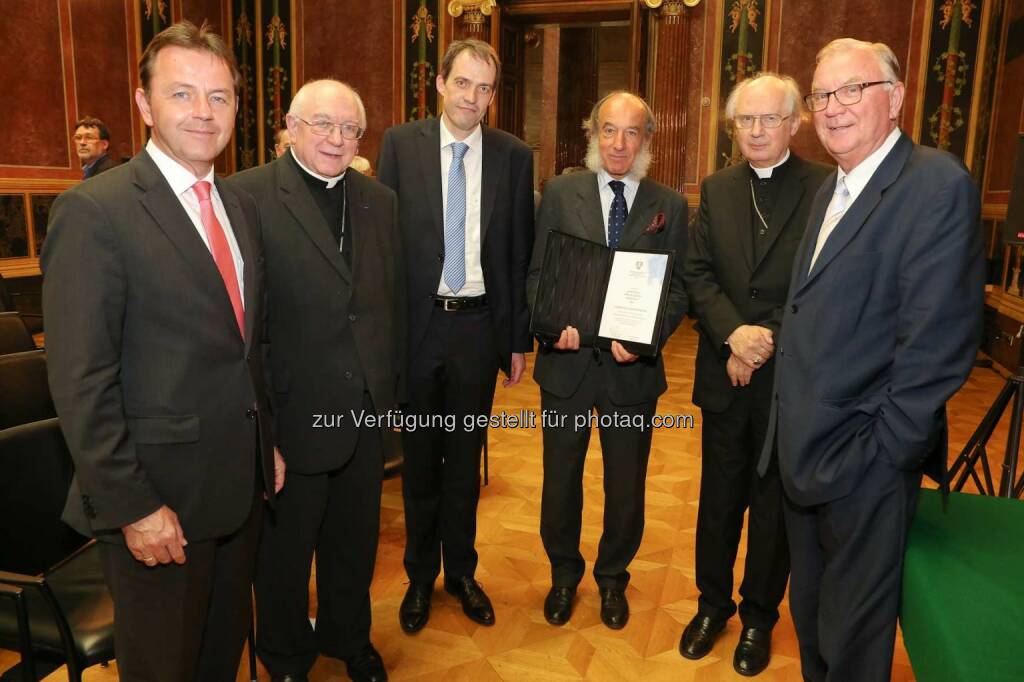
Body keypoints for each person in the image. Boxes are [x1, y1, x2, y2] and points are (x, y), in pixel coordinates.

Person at [42, 21, 283, 681]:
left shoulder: (239, 206)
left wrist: (268, 444)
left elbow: (246, 347)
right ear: (145, 106)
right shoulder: (95, 212)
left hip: (238, 492)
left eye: (220, 97)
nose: (204, 113)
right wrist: (135, 507)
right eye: (182, 95)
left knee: (217, 662)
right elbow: (80, 382)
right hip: (158, 509)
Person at [756, 38, 984, 681]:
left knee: (854, 644)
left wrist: (884, 454)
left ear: (896, 98)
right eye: (823, 94)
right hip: (805, 455)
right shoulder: (835, 185)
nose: (833, 107)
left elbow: (937, 345)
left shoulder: (936, 185)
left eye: (851, 89)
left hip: (865, 464)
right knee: (814, 623)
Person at [229, 79, 402, 682]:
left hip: (361, 412)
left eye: (350, 128)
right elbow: (243, 329)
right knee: (282, 553)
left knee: (354, 544)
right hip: (290, 413)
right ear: (290, 126)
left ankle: (348, 636)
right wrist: (262, 426)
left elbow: (387, 305)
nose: (336, 138)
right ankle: (284, 656)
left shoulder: (380, 200)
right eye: (322, 124)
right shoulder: (245, 196)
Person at [377, 38, 535, 633]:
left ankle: (462, 573)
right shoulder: (400, 144)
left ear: (495, 94)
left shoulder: (515, 157)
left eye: (485, 87)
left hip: (477, 327)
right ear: (440, 84)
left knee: (465, 462)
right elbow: (386, 249)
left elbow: (518, 254)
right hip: (418, 329)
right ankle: (418, 578)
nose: (473, 97)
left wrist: (517, 340)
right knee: (419, 461)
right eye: (463, 83)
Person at [680, 73, 830, 675]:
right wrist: (732, 335)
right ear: (733, 127)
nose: (758, 131)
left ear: (797, 123)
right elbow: (697, 274)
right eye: (747, 120)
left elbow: (819, 286)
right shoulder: (716, 189)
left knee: (773, 509)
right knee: (718, 500)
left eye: (771, 119)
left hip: (786, 379)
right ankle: (711, 604)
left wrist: (760, 339)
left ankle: (759, 618)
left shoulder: (823, 187)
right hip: (726, 373)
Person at [527, 91, 688, 630]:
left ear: (648, 140)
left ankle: (613, 578)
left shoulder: (671, 204)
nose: (619, 143)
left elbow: (679, 290)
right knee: (560, 481)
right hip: (568, 370)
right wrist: (551, 331)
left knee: (626, 486)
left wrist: (647, 338)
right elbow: (536, 275)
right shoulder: (560, 192)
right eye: (609, 130)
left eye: (632, 132)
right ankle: (563, 576)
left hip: (631, 374)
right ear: (592, 133)